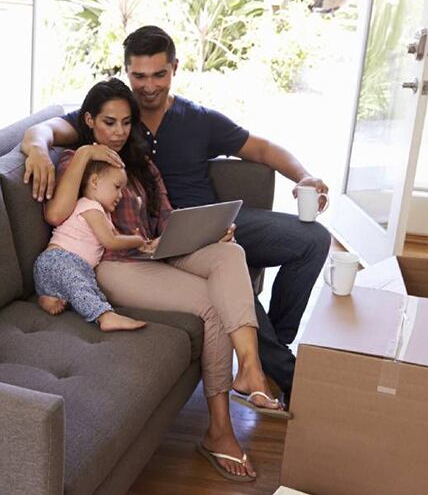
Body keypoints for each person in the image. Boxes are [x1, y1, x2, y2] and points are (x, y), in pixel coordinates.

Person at [22, 25, 332, 404]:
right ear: (126, 72)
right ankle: (286, 372)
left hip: (209, 224)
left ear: (174, 69)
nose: (149, 86)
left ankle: (274, 348)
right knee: (224, 278)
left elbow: (263, 149)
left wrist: (304, 177)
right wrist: (36, 148)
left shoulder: (196, 119)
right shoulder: (117, 117)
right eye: (139, 76)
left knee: (313, 239)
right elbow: (44, 128)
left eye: (159, 74)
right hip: (162, 238)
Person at [42, 78, 288, 482]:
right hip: (115, 264)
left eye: (125, 122)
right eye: (108, 123)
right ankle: (220, 431)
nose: (118, 132)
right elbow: (56, 214)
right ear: (89, 121)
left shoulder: (141, 163)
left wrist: (205, 232)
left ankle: (251, 369)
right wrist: (87, 151)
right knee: (210, 303)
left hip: (158, 249)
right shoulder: (77, 160)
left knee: (231, 252)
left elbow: (166, 218)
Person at [34, 159, 149, 331]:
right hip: (60, 260)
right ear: (94, 181)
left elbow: (115, 237)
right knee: (81, 285)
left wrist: (142, 246)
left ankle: (47, 296)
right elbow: (111, 241)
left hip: (53, 269)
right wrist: (137, 240)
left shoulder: (101, 214)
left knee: (89, 288)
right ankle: (105, 316)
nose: (121, 195)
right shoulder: (91, 207)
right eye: (117, 187)